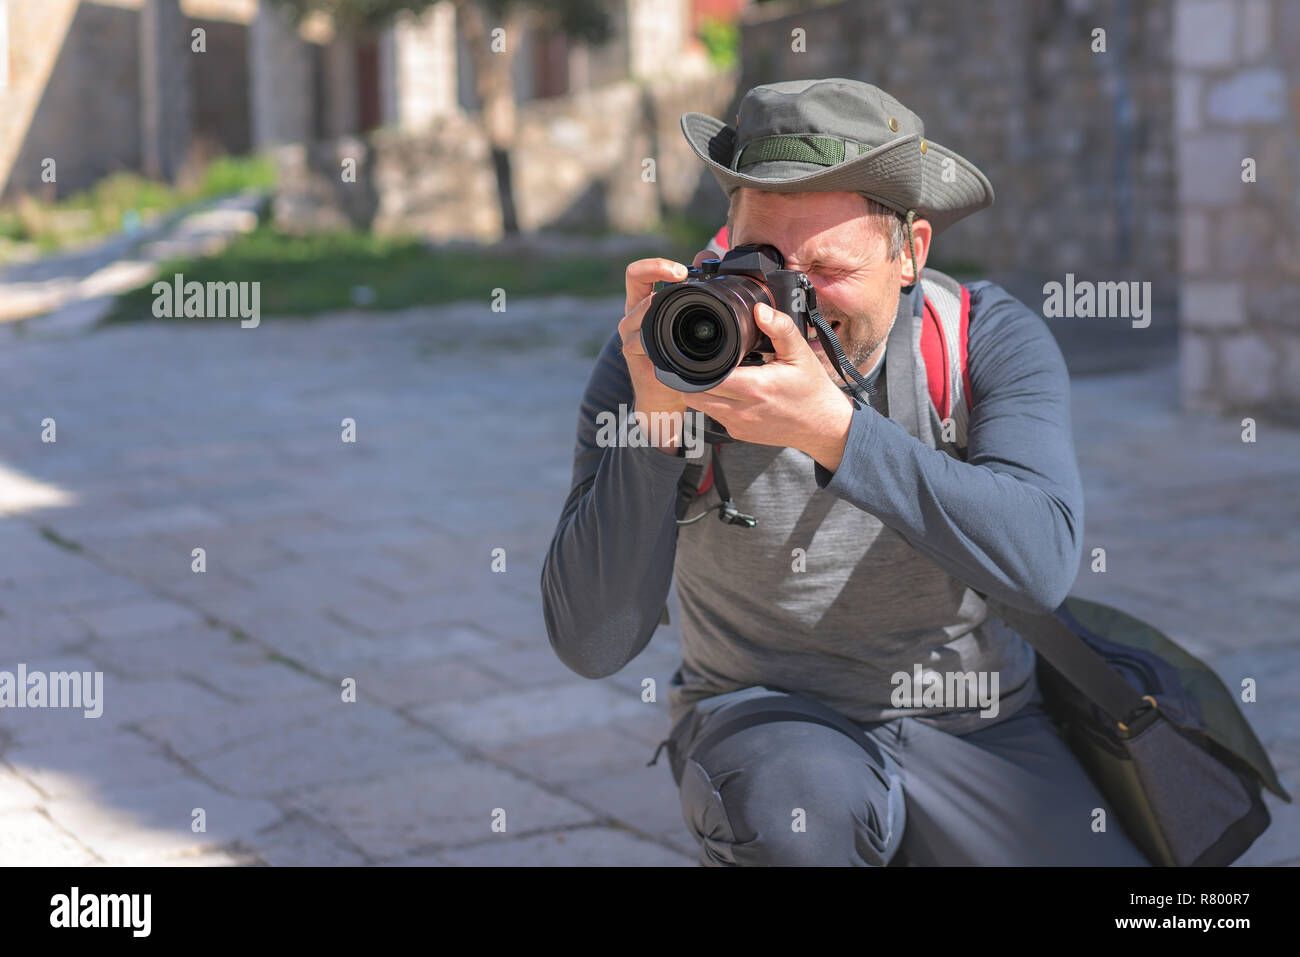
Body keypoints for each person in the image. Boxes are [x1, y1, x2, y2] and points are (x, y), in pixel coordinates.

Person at [540, 78, 1148, 866]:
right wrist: (655, 426)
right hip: (772, 726)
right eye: (763, 261)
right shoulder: (671, 350)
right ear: (726, 237)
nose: (788, 304)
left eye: (823, 270)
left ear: (910, 253)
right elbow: (593, 642)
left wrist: (835, 432)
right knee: (798, 810)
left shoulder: (981, 339)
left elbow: (1038, 566)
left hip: (978, 721)